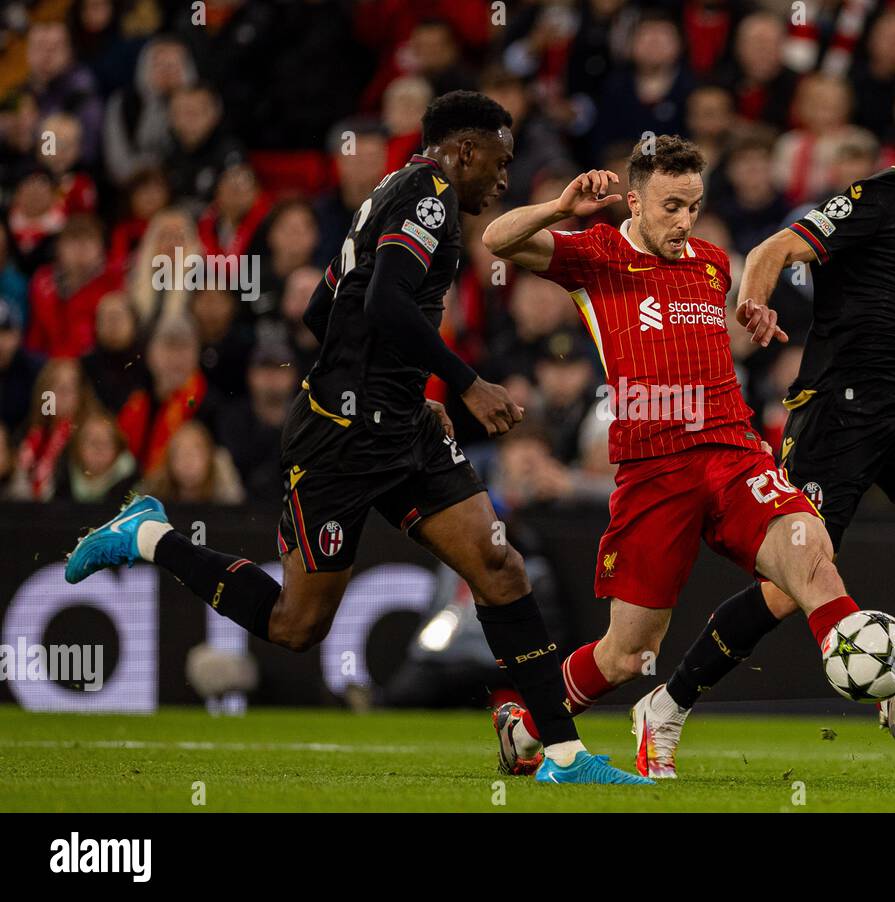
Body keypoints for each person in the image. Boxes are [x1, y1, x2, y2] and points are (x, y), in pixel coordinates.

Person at [64, 90, 647, 787]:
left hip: (399, 426)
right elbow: (384, 301)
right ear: (464, 150)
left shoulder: (391, 192)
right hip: (341, 441)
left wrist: (397, 390)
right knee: (295, 625)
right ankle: (150, 536)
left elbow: (323, 307)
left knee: (501, 570)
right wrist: (464, 384)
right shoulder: (428, 197)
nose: (503, 177)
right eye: (499, 160)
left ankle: (558, 755)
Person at [483, 134, 895, 779]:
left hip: (731, 451)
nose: (684, 220)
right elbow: (497, 240)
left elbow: (710, 334)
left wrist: (752, 317)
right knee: (626, 652)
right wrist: (560, 206)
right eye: (670, 206)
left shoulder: (712, 263)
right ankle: (527, 725)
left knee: (809, 550)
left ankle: (881, 685)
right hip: (652, 467)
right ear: (633, 203)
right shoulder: (597, 255)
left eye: (693, 205)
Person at [632, 71, 895, 776]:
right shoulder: (873, 201)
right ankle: (667, 705)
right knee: (791, 588)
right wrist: (753, 304)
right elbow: (771, 251)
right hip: (835, 420)